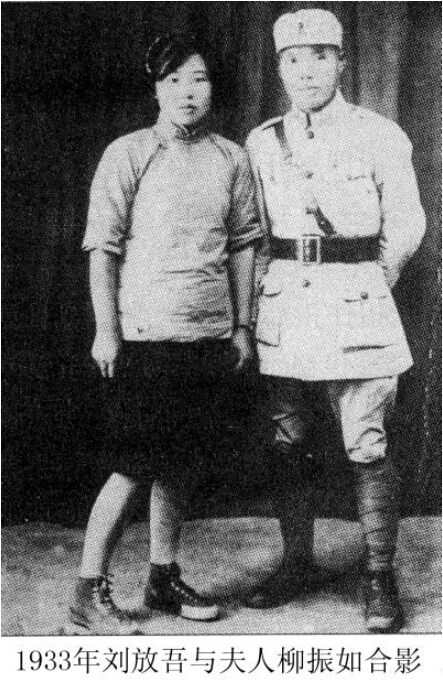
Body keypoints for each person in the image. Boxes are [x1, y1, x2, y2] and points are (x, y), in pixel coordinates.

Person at [64, 32, 261, 634]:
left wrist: (242, 325)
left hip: (209, 334)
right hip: (145, 334)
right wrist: (106, 331)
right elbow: (102, 248)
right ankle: (87, 590)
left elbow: (244, 245)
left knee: (180, 463)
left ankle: (162, 574)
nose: (187, 92)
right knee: (133, 464)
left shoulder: (232, 158)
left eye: (198, 79)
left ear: (213, 87)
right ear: (155, 88)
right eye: (174, 80)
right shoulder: (128, 153)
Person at [245, 9, 426, 632]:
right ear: (281, 69)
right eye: (293, 60)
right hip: (286, 304)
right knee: (287, 439)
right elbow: (257, 231)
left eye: (321, 56)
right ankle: (297, 561)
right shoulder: (263, 141)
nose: (307, 71)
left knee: (366, 441)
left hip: (356, 301)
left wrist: (372, 282)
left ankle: (379, 576)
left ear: (342, 62)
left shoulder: (380, 134)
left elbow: (406, 224)